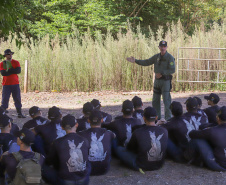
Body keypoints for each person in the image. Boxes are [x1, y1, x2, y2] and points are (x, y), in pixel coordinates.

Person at [126, 41, 175, 120]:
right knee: (155, 101)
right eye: (161, 46)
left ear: (166, 47)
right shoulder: (156, 57)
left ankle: (168, 119)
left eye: (164, 46)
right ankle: (156, 118)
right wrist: (136, 61)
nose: (163, 48)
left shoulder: (170, 57)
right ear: (159, 47)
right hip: (157, 82)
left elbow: (172, 70)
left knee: (167, 101)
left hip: (165, 82)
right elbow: (147, 62)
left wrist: (162, 73)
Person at [115, 106, 168, 171]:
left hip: (142, 165)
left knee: (119, 149)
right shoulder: (164, 131)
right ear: (156, 117)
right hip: (159, 164)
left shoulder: (138, 132)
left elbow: (130, 149)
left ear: (144, 118)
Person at [45, 114, 91, 185]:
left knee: (44, 166)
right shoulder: (85, 140)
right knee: (88, 164)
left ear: (62, 127)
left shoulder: (57, 142)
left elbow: (49, 161)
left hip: (65, 181)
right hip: (83, 180)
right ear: (76, 125)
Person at [188, 106, 226, 171]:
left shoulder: (212, 131)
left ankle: (187, 158)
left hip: (219, 165)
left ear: (218, 118)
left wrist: (206, 129)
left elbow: (192, 134)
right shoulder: (214, 129)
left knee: (197, 140)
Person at [78, 110, 115, 175]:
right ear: (102, 120)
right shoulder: (108, 133)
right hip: (104, 169)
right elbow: (114, 136)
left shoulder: (81, 134)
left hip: (88, 169)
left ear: (88, 120)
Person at [0, 49, 25, 118]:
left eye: (11, 54)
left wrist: (9, 70)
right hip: (6, 84)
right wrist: (13, 70)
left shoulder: (16, 62)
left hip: (15, 83)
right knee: (5, 99)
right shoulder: (3, 63)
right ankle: (2, 114)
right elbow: (3, 73)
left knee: (17, 98)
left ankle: (19, 113)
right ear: (5, 55)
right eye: (8, 54)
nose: (10, 55)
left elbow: (18, 71)